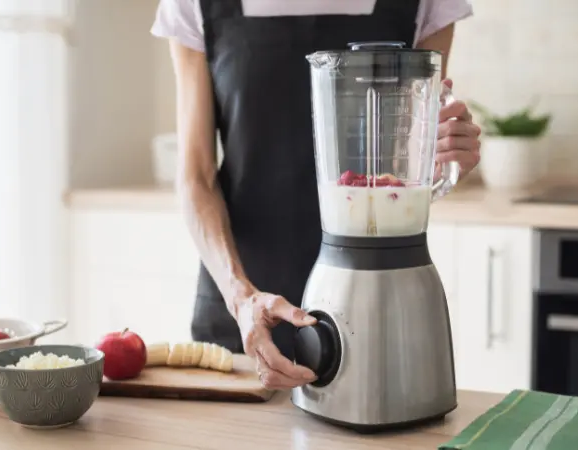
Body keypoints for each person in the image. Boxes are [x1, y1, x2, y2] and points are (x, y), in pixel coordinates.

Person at [150, 0, 481, 390]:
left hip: (377, 298)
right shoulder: (192, 4)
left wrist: (443, 159)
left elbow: (409, 159)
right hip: (242, 304)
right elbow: (196, 176)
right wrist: (240, 297)